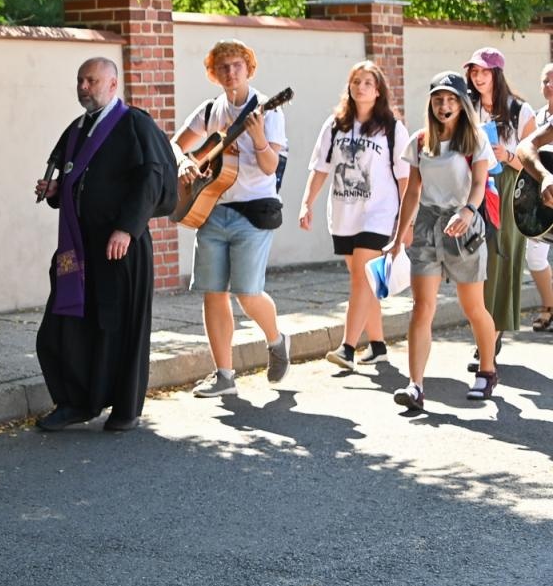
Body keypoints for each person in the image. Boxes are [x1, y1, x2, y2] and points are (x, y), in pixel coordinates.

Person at [33, 57, 170, 432]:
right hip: (78, 249)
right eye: (80, 80)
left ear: (112, 85)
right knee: (64, 326)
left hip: (119, 246)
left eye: (91, 81)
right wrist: (56, 191)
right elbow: (76, 181)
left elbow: (151, 179)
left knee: (118, 326)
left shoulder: (133, 124)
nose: (83, 87)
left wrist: (127, 228)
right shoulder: (76, 130)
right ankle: (75, 402)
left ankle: (124, 408)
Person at [174, 39, 291, 396]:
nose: (230, 72)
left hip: (253, 211)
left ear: (249, 68)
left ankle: (277, 340)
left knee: (246, 291)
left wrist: (258, 139)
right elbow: (177, 144)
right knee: (213, 291)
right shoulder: (211, 110)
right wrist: (184, 163)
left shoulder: (268, 110)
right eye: (222, 66)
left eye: (236, 65)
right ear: (214, 73)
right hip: (210, 206)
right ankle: (224, 375)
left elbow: (271, 166)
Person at [385, 72, 497, 410]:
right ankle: (415, 385)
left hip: (464, 226)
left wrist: (467, 211)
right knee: (422, 307)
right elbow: (412, 192)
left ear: (462, 105)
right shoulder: (420, 141)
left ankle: (488, 370)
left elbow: (479, 183)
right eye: (438, 99)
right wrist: (397, 235)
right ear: (431, 103)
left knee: (472, 307)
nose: (443, 106)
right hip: (428, 226)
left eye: (450, 100)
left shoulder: (475, 139)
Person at [298, 61, 411, 369]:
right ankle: (377, 345)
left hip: (379, 213)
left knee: (362, 278)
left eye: (367, 83)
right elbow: (319, 168)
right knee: (364, 280)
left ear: (378, 91)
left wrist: (406, 221)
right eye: (356, 81)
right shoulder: (335, 125)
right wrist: (307, 203)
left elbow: (406, 178)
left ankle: (347, 348)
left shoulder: (391, 128)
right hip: (344, 213)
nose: (361, 86)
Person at [463, 46, 533, 368]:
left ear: (497, 74)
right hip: (474, 184)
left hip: (508, 185)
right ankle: (484, 333)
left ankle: (493, 336)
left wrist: (506, 156)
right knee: (478, 258)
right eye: (474, 72)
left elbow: (536, 161)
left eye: (484, 72)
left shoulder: (520, 111)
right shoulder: (467, 106)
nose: (478, 77)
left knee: (503, 257)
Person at [519, 63, 553, 331]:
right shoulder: (541, 118)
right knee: (535, 256)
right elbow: (525, 146)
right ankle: (548, 306)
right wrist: (544, 176)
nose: (549, 86)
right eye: (546, 81)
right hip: (544, 201)